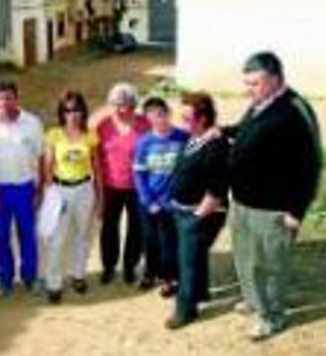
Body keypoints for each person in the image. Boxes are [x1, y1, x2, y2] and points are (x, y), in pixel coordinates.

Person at [227, 51, 323, 340]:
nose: (248, 90)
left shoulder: (294, 110)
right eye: (246, 83)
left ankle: (272, 316)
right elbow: (246, 131)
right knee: (245, 258)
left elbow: (311, 165)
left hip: (273, 208)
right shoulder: (260, 104)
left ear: (276, 79)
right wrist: (221, 132)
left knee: (269, 264)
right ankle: (255, 301)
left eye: (254, 83)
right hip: (243, 202)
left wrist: (296, 210)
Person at [164, 91, 230, 330]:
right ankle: (200, 293)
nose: (182, 123)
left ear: (202, 119)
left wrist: (196, 216)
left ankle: (185, 310)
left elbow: (217, 188)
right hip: (184, 209)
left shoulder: (215, 147)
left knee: (187, 262)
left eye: (187, 118)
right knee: (195, 255)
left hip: (200, 213)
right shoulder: (196, 137)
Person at [0, 81, 44, 296]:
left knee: (28, 236)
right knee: (0, 237)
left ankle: (30, 277)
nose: (4, 102)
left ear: (17, 99)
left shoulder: (32, 123)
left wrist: (39, 190)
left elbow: (42, 158)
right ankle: (5, 279)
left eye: (9, 98)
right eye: (0, 98)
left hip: (25, 188)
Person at [40, 90, 102, 303]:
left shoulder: (90, 135)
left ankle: (78, 275)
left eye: (76, 109)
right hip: (60, 190)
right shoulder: (53, 135)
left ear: (83, 111)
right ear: (62, 113)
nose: (72, 114)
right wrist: (50, 195)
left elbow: (96, 167)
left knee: (82, 235)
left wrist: (100, 197)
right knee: (57, 238)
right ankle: (54, 282)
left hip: (85, 188)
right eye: (67, 110)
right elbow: (47, 167)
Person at [132, 97, 189, 297]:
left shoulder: (182, 137)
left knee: (169, 242)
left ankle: (169, 278)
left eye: (162, 114)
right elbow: (139, 174)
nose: (160, 120)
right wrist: (149, 201)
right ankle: (150, 273)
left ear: (168, 113)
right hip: (149, 202)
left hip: (172, 202)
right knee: (150, 240)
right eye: (154, 116)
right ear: (148, 119)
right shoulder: (144, 142)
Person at [95, 83, 149, 285]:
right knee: (109, 227)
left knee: (136, 228)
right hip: (111, 185)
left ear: (134, 105)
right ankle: (109, 266)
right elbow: (96, 159)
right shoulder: (103, 125)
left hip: (137, 186)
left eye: (126, 104)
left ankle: (129, 266)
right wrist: (98, 191)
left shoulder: (145, 124)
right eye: (117, 104)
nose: (121, 109)